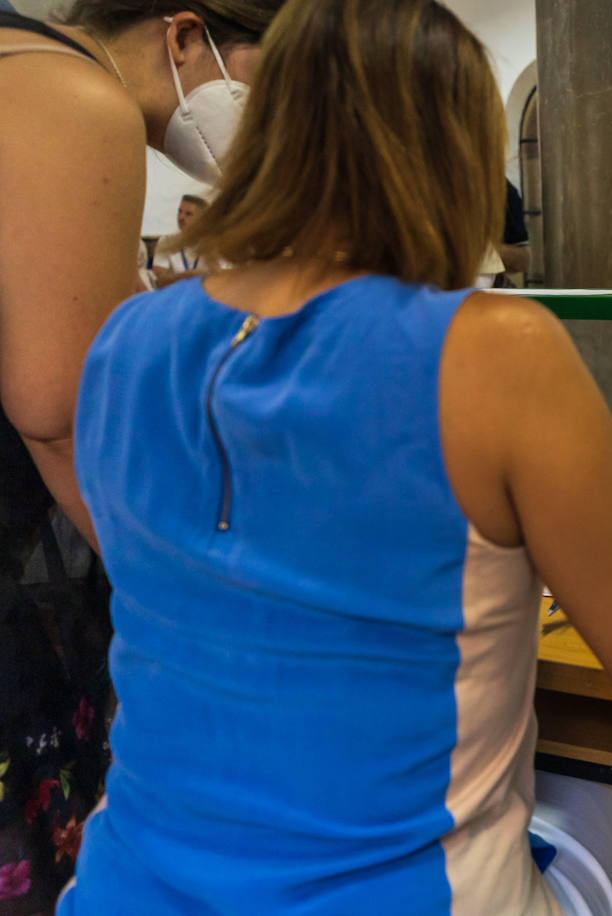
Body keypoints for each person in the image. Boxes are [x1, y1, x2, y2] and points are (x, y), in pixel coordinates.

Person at [63, 1, 612, 913]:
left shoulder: (123, 342)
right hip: (405, 895)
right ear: (456, 154)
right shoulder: (500, 353)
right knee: (597, 789)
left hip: (126, 884)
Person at [0, 2, 278, 911]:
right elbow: (58, 411)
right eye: (260, 85)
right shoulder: (76, 100)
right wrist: (189, 601)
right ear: (186, 34)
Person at [151, 192, 212, 286]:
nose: (181, 217)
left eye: (188, 214)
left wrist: (177, 277)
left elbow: (222, 278)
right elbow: (161, 281)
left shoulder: (214, 243)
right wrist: (188, 276)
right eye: (180, 211)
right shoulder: (167, 241)